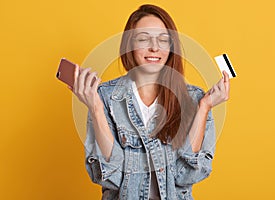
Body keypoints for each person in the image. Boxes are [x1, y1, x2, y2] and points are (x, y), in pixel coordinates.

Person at [71, 4, 230, 200]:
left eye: (163, 40)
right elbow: (110, 178)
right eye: (144, 39)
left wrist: (204, 108)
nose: (154, 47)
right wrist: (95, 108)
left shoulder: (195, 99)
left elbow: (187, 175)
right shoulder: (104, 97)